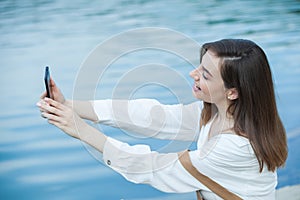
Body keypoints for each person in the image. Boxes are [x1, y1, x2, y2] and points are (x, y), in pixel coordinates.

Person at [37, 39, 287, 199]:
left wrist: (80, 129)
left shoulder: (235, 145)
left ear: (233, 92)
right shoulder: (221, 112)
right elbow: (152, 117)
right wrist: (70, 106)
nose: (194, 74)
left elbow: (153, 167)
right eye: (199, 67)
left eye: (206, 75)